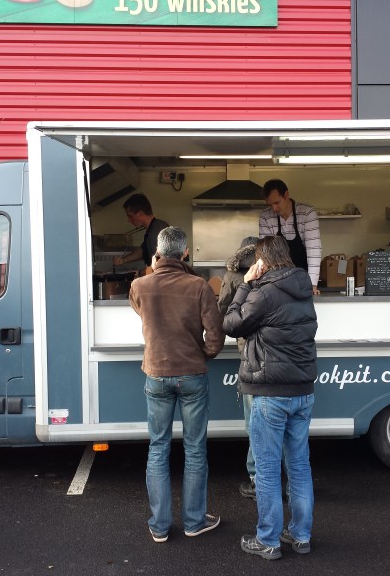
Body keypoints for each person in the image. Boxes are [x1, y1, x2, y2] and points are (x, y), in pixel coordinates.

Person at [223, 235, 318, 560]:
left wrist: (245, 285)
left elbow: (231, 325)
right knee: (300, 467)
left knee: (266, 469)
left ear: (261, 262)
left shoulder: (262, 291)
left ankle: (269, 540)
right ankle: (301, 536)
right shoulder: (303, 288)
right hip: (302, 391)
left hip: (269, 393)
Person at [128, 226, 225, 543]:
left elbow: (141, 311)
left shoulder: (140, 286)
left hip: (156, 373)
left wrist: (153, 268)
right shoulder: (199, 286)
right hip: (192, 374)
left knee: (158, 448)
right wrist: (203, 354)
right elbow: (216, 335)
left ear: (157, 252)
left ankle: (159, 526)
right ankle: (194, 522)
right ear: (185, 253)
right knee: (195, 449)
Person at [217, 236, 259, 500]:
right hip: (282, 355)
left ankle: (256, 476)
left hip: (249, 353)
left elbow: (223, 310)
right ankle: (286, 480)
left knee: (254, 419)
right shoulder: (275, 273)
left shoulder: (233, 276)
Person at [259, 179, 322, 295]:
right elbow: (266, 255)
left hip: (303, 280)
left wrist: (312, 284)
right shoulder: (266, 217)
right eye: (270, 204)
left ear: (286, 195)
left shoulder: (307, 213)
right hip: (278, 282)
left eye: (277, 203)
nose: (274, 209)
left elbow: (314, 250)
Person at [113, 193, 169, 270]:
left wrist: (141, 274)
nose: (129, 220)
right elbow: (143, 250)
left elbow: (159, 266)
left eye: (130, 216)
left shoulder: (155, 232)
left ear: (140, 213)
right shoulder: (155, 226)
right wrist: (123, 260)